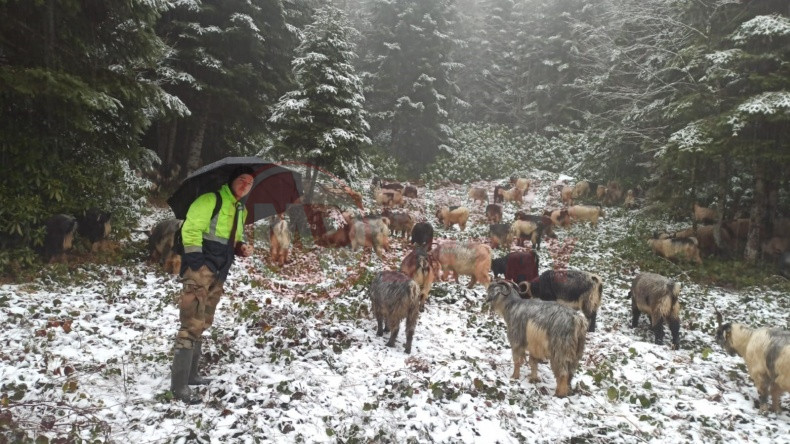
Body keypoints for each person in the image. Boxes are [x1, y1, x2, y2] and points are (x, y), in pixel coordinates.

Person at [170, 166, 255, 404]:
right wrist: (197, 265)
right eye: (242, 180)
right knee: (190, 323)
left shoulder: (241, 209)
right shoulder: (210, 200)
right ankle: (179, 387)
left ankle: (192, 375)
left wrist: (242, 247)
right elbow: (191, 229)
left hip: (220, 272)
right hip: (201, 270)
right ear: (231, 180)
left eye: (250, 183)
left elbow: (233, 239)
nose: (246, 185)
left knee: (203, 321)